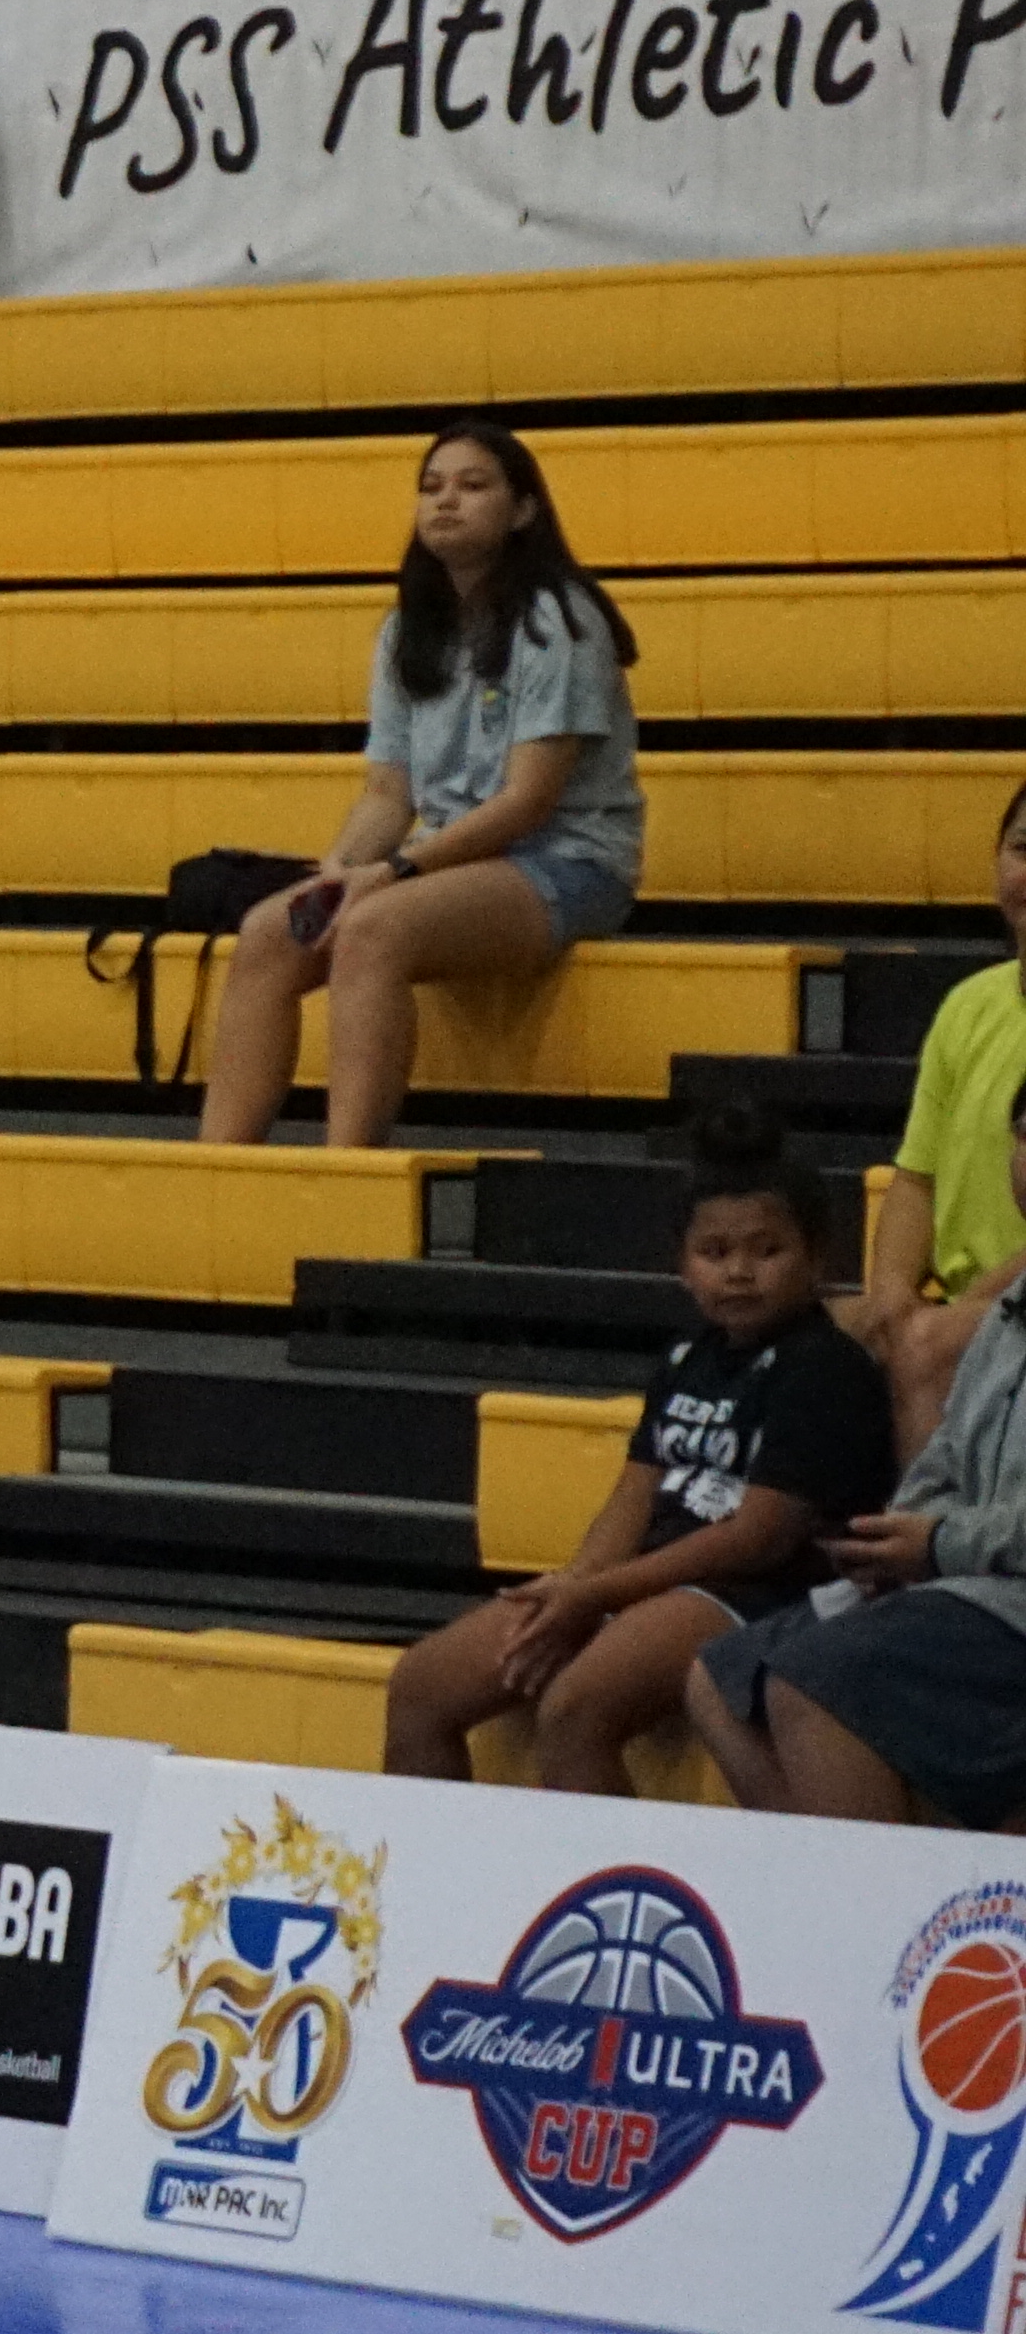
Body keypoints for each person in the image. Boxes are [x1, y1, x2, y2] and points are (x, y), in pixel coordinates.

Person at [388, 1108, 882, 1795]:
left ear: (818, 1256)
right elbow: (635, 1492)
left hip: (758, 1593)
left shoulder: (825, 1368)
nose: (740, 1272)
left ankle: (594, 1900)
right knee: (421, 1686)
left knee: (575, 1707)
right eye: (715, 1253)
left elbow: (758, 1537)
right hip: (648, 1578)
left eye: (766, 1251)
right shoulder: (686, 1359)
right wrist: (573, 1587)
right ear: (682, 1265)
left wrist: (597, 1595)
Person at [203, 419, 644, 1151]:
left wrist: (395, 872)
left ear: (524, 510)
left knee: (375, 929)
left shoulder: (559, 621)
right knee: (267, 935)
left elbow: (527, 801)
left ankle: (347, 1170)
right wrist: (343, 866)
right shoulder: (409, 629)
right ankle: (216, 1167)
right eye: (431, 487)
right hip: (443, 861)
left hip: (567, 863)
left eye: (474, 486)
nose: (447, 501)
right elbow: (387, 794)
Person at [691, 1092, 1026, 1831]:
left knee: (817, 1682)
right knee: (721, 1677)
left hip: (1003, 1598)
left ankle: (868, 1932)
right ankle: (855, 1902)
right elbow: (944, 1459)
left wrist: (937, 1545)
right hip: (965, 1582)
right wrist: (895, 1539)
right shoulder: (1006, 1318)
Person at [853, 781, 1026, 1455]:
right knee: (793, 1332)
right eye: (1021, 849)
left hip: (1010, 1294)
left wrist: (955, 1312)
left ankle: (931, 1546)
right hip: (964, 1296)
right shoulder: (967, 1006)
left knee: (927, 1345)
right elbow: (915, 1177)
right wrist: (893, 1293)